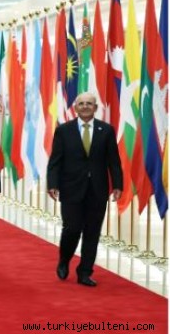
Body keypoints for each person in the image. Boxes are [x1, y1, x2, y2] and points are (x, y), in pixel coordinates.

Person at [47, 92, 122, 287]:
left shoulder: (106, 130)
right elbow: (55, 161)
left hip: (97, 190)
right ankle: (64, 259)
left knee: (92, 231)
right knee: (71, 228)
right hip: (71, 188)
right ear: (75, 108)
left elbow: (114, 161)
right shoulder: (63, 131)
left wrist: (117, 185)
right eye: (81, 104)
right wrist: (52, 184)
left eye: (89, 103)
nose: (85, 106)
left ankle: (85, 272)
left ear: (95, 108)